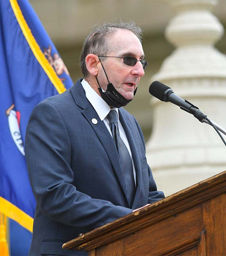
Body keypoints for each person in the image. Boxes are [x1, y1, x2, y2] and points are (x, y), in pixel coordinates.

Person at [25, 22, 165, 255]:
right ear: (93, 64)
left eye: (142, 62)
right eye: (129, 60)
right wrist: (131, 219)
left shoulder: (130, 123)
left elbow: (148, 195)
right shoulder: (53, 114)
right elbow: (55, 194)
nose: (139, 71)